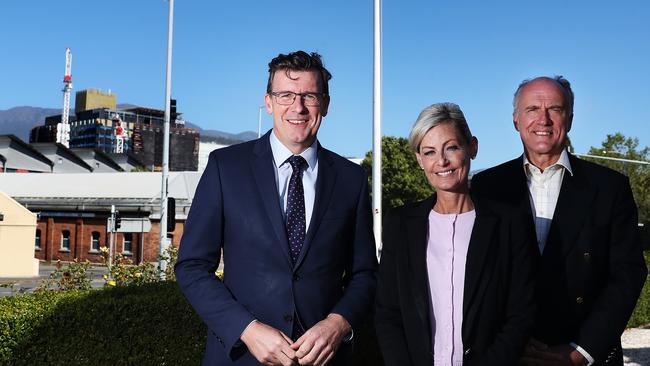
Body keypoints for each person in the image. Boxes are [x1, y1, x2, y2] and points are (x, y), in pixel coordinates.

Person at [175, 51, 377, 366]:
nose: (297, 107)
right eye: (285, 95)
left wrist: (339, 323)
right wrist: (246, 329)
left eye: (309, 96)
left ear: (325, 104)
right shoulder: (225, 168)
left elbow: (365, 274)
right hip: (242, 357)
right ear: (268, 102)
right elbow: (192, 266)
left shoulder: (352, 179)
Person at [472, 76, 647, 366]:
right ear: (516, 120)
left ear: (570, 118)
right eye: (532, 109)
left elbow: (627, 275)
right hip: (509, 354)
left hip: (583, 353)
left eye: (555, 108)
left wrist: (581, 352)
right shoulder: (486, 186)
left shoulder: (609, 187)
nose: (544, 119)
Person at [375, 102, 536, 365]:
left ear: (472, 147)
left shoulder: (508, 223)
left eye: (451, 147)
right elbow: (388, 313)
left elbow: (520, 314)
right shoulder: (400, 224)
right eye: (429, 152)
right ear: (419, 159)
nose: (442, 161)